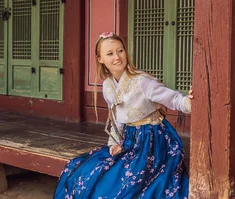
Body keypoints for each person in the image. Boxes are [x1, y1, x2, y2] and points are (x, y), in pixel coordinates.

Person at [54, 32, 192, 199]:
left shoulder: (142, 81)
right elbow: (116, 119)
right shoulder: (108, 85)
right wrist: (114, 143)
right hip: (130, 139)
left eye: (120, 51)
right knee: (81, 168)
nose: (117, 57)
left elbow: (174, 99)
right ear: (100, 59)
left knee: (128, 183)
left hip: (154, 140)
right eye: (110, 53)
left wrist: (190, 101)